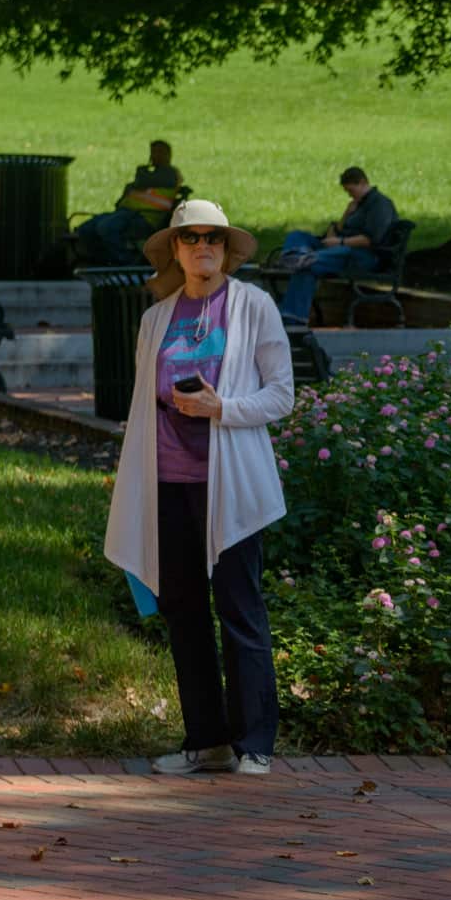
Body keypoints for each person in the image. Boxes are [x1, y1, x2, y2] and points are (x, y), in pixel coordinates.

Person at [102, 200, 294, 777]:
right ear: (176, 249)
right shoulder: (156, 319)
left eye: (212, 237)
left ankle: (255, 744)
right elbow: (140, 405)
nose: (201, 247)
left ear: (227, 249)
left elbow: (281, 395)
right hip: (167, 481)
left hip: (231, 485)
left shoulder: (254, 308)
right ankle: (205, 742)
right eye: (190, 238)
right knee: (183, 613)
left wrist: (221, 407)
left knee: (240, 611)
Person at [273, 166, 400, 324]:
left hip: (364, 256)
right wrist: (346, 215)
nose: (349, 195)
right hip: (337, 249)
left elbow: (371, 239)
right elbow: (336, 232)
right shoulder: (356, 205)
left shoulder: (380, 204)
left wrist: (340, 242)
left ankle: (304, 262)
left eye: (351, 191)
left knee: (332, 255)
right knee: (298, 236)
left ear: (362, 183)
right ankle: (297, 257)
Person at [77, 140, 187, 266]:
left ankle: (125, 262)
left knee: (106, 227)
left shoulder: (171, 174)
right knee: (85, 229)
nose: (155, 155)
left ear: (168, 155)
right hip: (124, 213)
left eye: (160, 152)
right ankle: (103, 261)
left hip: (144, 217)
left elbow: (141, 181)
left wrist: (140, 174)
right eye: (153, 152)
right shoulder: (149, 173)